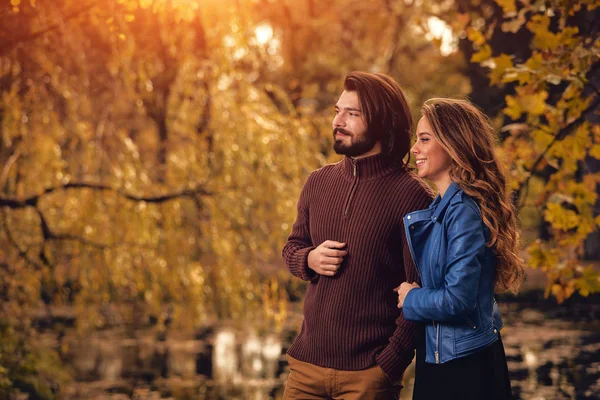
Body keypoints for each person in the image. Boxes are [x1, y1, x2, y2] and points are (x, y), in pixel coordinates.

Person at [281, 71, 433, 400]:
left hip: (368, 377)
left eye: (353, 114)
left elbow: (421, 292)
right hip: (305, 370)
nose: (339, 121)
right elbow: (291, 248)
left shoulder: (414, 197)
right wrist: (308, 258)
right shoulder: (317, 182)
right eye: (338, 111)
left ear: (381, 121)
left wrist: (389, 366)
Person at [396, 98, 524, 400]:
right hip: (446, 356)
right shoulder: (443, 208)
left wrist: (411, 297)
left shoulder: (463, 211)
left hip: (463, 366)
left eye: (425, 139)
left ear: (454, 145)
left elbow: (458, 300)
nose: (415, 148)